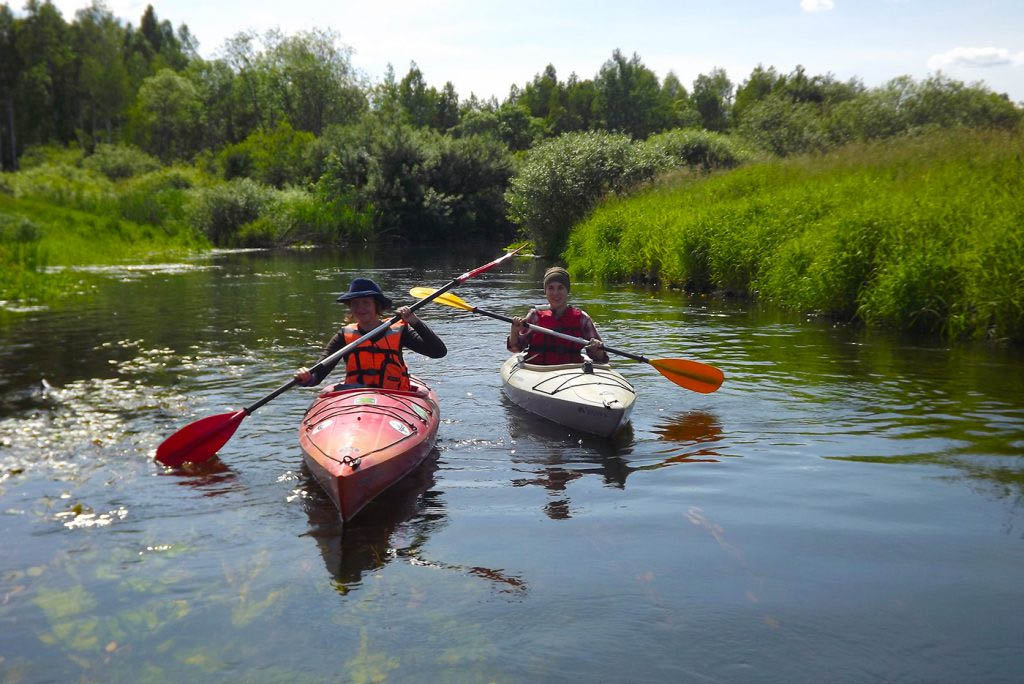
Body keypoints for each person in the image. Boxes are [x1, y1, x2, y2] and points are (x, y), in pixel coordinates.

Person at [295, 277, 446, 391]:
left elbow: (438, 352)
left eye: (366, 303)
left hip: (394, 397)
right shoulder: (344, 335)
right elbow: (317, 376)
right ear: (350, 308)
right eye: (355, 304)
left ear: (376, 306)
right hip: (356, 398)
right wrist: (306, 377)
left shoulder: (398, 331)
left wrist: (415, 322)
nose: (360, 308)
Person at [507, 266, 609, 365]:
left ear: (567, 290)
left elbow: (601, 358)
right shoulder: (535, 316)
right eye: (551, 288)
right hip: (539, 370)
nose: (555, 293)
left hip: (572, 371)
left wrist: (597, 348)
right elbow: (516, 349)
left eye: (560, 288)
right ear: (545, 291)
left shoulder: (582, 319)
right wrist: (514, 331)